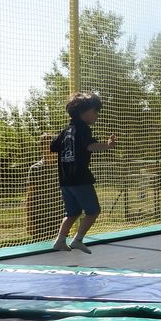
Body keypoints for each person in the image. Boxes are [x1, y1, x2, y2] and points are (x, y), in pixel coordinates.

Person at [51, 92, 117, 254]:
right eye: (95, 111)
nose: (97, 115)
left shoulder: (65, 131)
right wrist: (107, 146)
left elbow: (53, 147)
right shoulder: (83, 129)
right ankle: (78, 240)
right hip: (80, 179)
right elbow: (90, 146)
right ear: (83, 113)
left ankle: (60, 240)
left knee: (72, 213)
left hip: (65, 180)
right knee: (93, 211)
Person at [25, 132, 65, 241]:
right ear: (42, 148)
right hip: (40, 220)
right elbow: (30, 197)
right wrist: (29, 222)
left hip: (60, 218)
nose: (50, 148)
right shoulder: (35, 169)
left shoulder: (64, 167)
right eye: (46, 145)